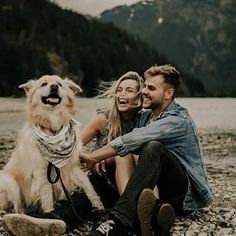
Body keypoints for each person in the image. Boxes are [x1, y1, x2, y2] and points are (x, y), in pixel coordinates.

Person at [2, 71, 146, 236]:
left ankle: (129, 215)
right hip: (103, 180)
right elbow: (73, 150)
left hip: (128, 186)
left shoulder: (146, 121)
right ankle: (50, 221)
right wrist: (91, 158)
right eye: (119, 90)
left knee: (84, 198)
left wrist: (101, 155)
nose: (122, 94)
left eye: (129, 90)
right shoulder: (103, 119)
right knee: (78, 202)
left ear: (141, 96)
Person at [77, 64, 213, 236]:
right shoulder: (146, 116)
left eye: (151, 88)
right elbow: (124, 138)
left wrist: (93, 157)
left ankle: (121, 220)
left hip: (182, 195)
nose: (144, 92)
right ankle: (153, 211)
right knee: (119, 160)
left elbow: (132, 139)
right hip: (155, 190)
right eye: (145, 86)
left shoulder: (178, 120)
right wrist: (103, 158)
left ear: (168, 94)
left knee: (152, 146)